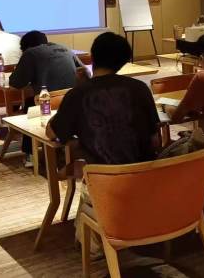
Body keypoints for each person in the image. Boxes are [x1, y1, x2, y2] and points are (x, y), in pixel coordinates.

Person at [46, 32, 161, 254]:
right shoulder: (139, 88)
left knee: (75, 162)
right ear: (124, 61)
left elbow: (52, 133)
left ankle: (95, 240)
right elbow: (154, 139)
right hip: (144, 177)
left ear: (92, 56)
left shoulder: (78, 94)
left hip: (105, 183)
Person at [9, 30, 83, 167]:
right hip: (72, 98)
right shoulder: (65, 49)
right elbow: (84, 72)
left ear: (26, 47)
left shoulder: (30, 54)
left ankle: (30, 154)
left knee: (29, 104)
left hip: (48, 102)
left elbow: (15, 83)